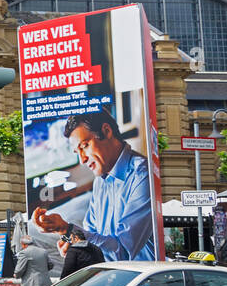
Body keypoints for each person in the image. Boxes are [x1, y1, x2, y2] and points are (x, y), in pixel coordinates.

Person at [31, 109, 155, 261]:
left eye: (84, 146)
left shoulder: (142, 174)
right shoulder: (100, 182)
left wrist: (69, 230)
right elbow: (91, 238)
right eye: (77, 152)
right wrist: (73, 243)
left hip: (143, 282)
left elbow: (123, 251)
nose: (82, 159)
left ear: (106, 131)